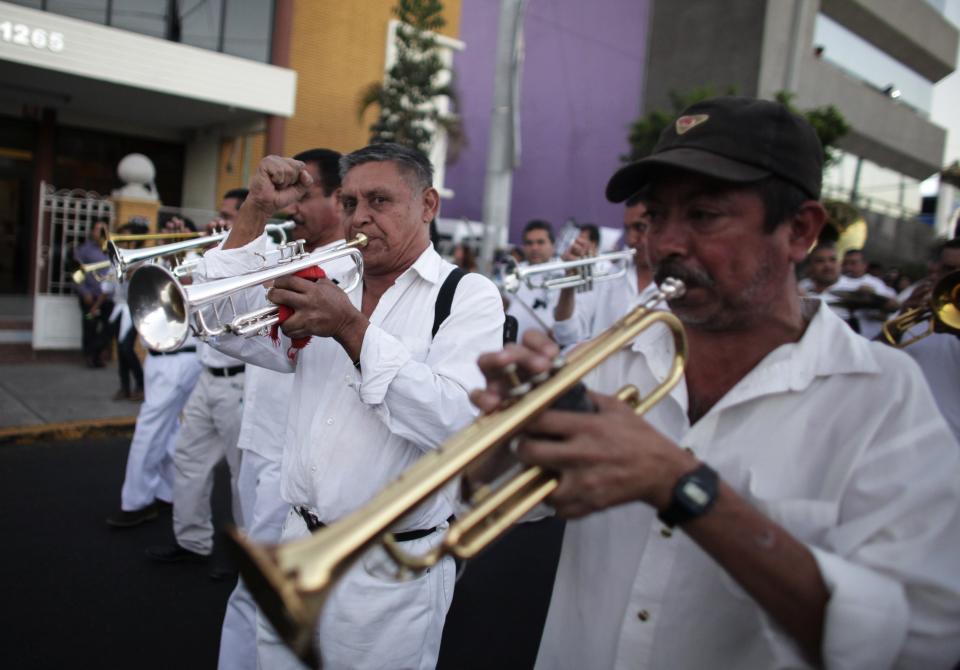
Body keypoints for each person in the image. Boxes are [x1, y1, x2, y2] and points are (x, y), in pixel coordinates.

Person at [472, 96, 960, 668]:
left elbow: (919, 640)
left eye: (704, 215)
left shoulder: (884, 394)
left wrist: (684, 486)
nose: (664, 245)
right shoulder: (609, 359)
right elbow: (492, 500)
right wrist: (502, 438)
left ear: (800, 230)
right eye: (655, 217)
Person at [203, 143, 504, 670]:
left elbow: (457, 424)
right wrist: (254, 210)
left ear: (428, 204)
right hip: (297, 547)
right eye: (349, 202)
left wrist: (349, 328)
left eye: (380, 200)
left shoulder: (468, 296)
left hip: (389, 577)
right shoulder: (330, 278)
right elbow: (220, 322)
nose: (360, 216)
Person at [200, 148, 348, 670]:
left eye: (306, 196)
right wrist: (256, 209)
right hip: (261, 437)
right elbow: (214, 309)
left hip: (298, 456)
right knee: (252, 591)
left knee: (271, 598)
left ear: (340, 199)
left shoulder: (348, 271)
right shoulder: (289, 253)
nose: (294, 208)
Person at [145, 191, 250, 566]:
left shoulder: (259, 253)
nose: (217, 220)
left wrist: (226, 249)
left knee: (243, 475)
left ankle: (249, 559)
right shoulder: (209, 252)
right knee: (189, 459)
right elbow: (176, 290)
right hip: (207, 377)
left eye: (226, 214)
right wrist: (176, 251)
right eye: (218, 213)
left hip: (239, 382)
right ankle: (191, 541)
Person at [554, 195, 657, 347]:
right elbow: (567, 336)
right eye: (627, 229)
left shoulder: (681, 282)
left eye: (640, 227)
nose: (630, 239)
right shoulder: (606, 274)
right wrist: (568, 285)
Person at [898, 237, 960, 443]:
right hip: (907, 439)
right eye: (949, 269)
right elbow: (875, 361)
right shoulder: (915, 310)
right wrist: (900, 321)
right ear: (936, 270)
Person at [505, 220, 560, 342]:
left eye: (540, 242)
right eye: (529, 243)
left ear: (552, 245)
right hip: (512, 344)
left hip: (547, 348)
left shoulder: (562, 273)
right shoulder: (515, 272)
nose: (534, 248)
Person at [73, 220, 115, 368]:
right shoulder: (84, 250)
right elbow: (77, 273)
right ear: (92, 232)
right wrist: (84, 292)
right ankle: (90, 357)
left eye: (104, 230)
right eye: (98, 230)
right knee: (89, 326)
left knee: (108, 328)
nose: (101, 233)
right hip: (90, 296)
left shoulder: (112, 250)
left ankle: (97, 354)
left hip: (107, 298)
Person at [797, 242, 860, 327]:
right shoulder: (801, 287)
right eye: (820, 261)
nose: (828, 266)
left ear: (840, 263)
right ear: (810, 266)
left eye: (832, 260)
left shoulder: (855, 288)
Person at [840, 248, 898, 338]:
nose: (848, 267)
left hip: (870, 335)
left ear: (864, 265)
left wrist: (873, 295)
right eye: (845, 263)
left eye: (853, 263)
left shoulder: (876, 284)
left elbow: (892, 307)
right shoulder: (838, 282)